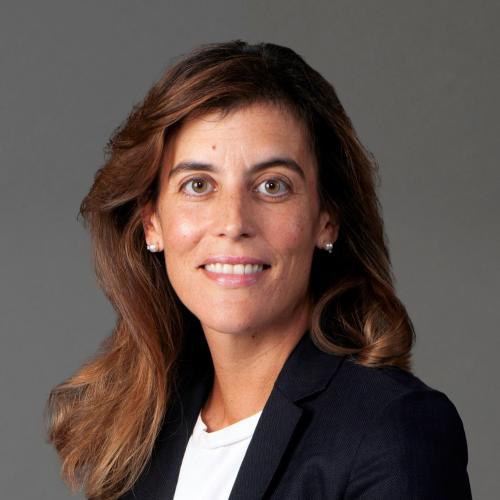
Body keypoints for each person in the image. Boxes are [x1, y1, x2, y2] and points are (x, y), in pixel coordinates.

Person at [45, 40, 472, 500]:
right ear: (152, 222)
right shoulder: (142, 434)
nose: (233, 223)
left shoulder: (393, 428)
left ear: (325, 218)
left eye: (272, 186)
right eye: (198, 185)